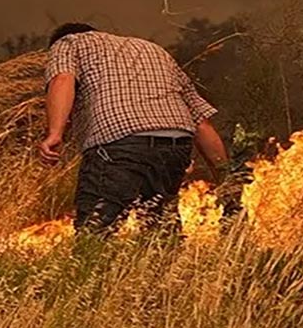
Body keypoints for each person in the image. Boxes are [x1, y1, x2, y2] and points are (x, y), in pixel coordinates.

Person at [39, 22, 229, 232]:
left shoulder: (69, 42)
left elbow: (62, 79)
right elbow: (201, 123)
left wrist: (55, 133)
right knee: (158, 231)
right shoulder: (153, 50)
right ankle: (167, 261)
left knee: (94, 232)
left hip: (120, 145)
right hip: (176, 146)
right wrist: (225, 176)